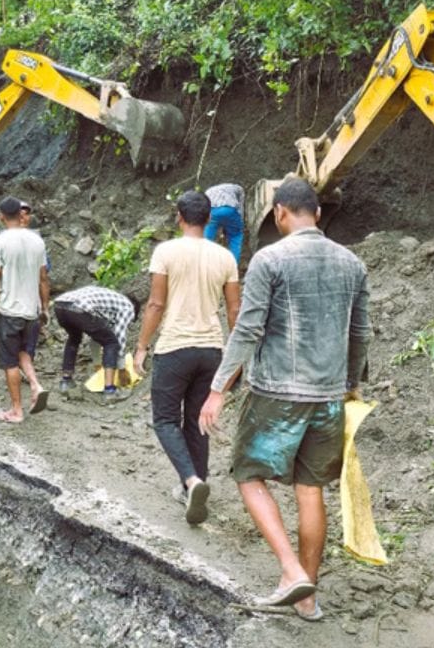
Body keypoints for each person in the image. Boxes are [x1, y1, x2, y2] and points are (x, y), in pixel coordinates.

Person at [201, 177, 369, 619]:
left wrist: (218, 388)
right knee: (309, 490)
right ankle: (308, 600)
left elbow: (248, 329)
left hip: (277, 392)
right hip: (329, 396)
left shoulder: (270, 259)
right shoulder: (352, 263)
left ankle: (292, 570)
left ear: (279, 213)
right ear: (315, 212)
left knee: (247, 473)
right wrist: (350, 383)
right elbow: (360, 334)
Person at [133, 190, 241, 526]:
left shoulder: (166, 251)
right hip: (211, 350)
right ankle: (194, 485)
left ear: (179, 218)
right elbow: (235, 308)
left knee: (165, 420)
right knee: (199, 421)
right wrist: (235, 355)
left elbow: (155, 304)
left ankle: (192, 482)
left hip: (175, 348)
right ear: (210, 220)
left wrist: (141, 346)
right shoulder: (226, 258)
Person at [0, 196, 50, 424]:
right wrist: (45, 307)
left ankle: (16, 410)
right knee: (24, 353)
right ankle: (36, 385)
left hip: (9, 311)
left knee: (9, 361)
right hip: (32, 310)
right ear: (21, 215)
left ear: (1, 216)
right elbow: (43, 278)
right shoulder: (37, 241)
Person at [54, 285, 135, 397]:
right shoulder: (128, 306)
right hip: (79, 306)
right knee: (111, 342)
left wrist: (97, 363)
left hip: (60, 304)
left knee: (74, 337)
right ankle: (110, 390)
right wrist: (121, 368)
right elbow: (119, 336)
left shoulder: (107, 304)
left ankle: (66, 381)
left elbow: (96, 338)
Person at [203, 182, 245, 262]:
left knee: (206, 240)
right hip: (230, 209)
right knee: (235, 236)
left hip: (213, 212)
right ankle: (233, 266)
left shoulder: (208, 191)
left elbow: (204, 207)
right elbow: (241, 206)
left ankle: (204, 264)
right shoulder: (239, 188)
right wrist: (240, 222)